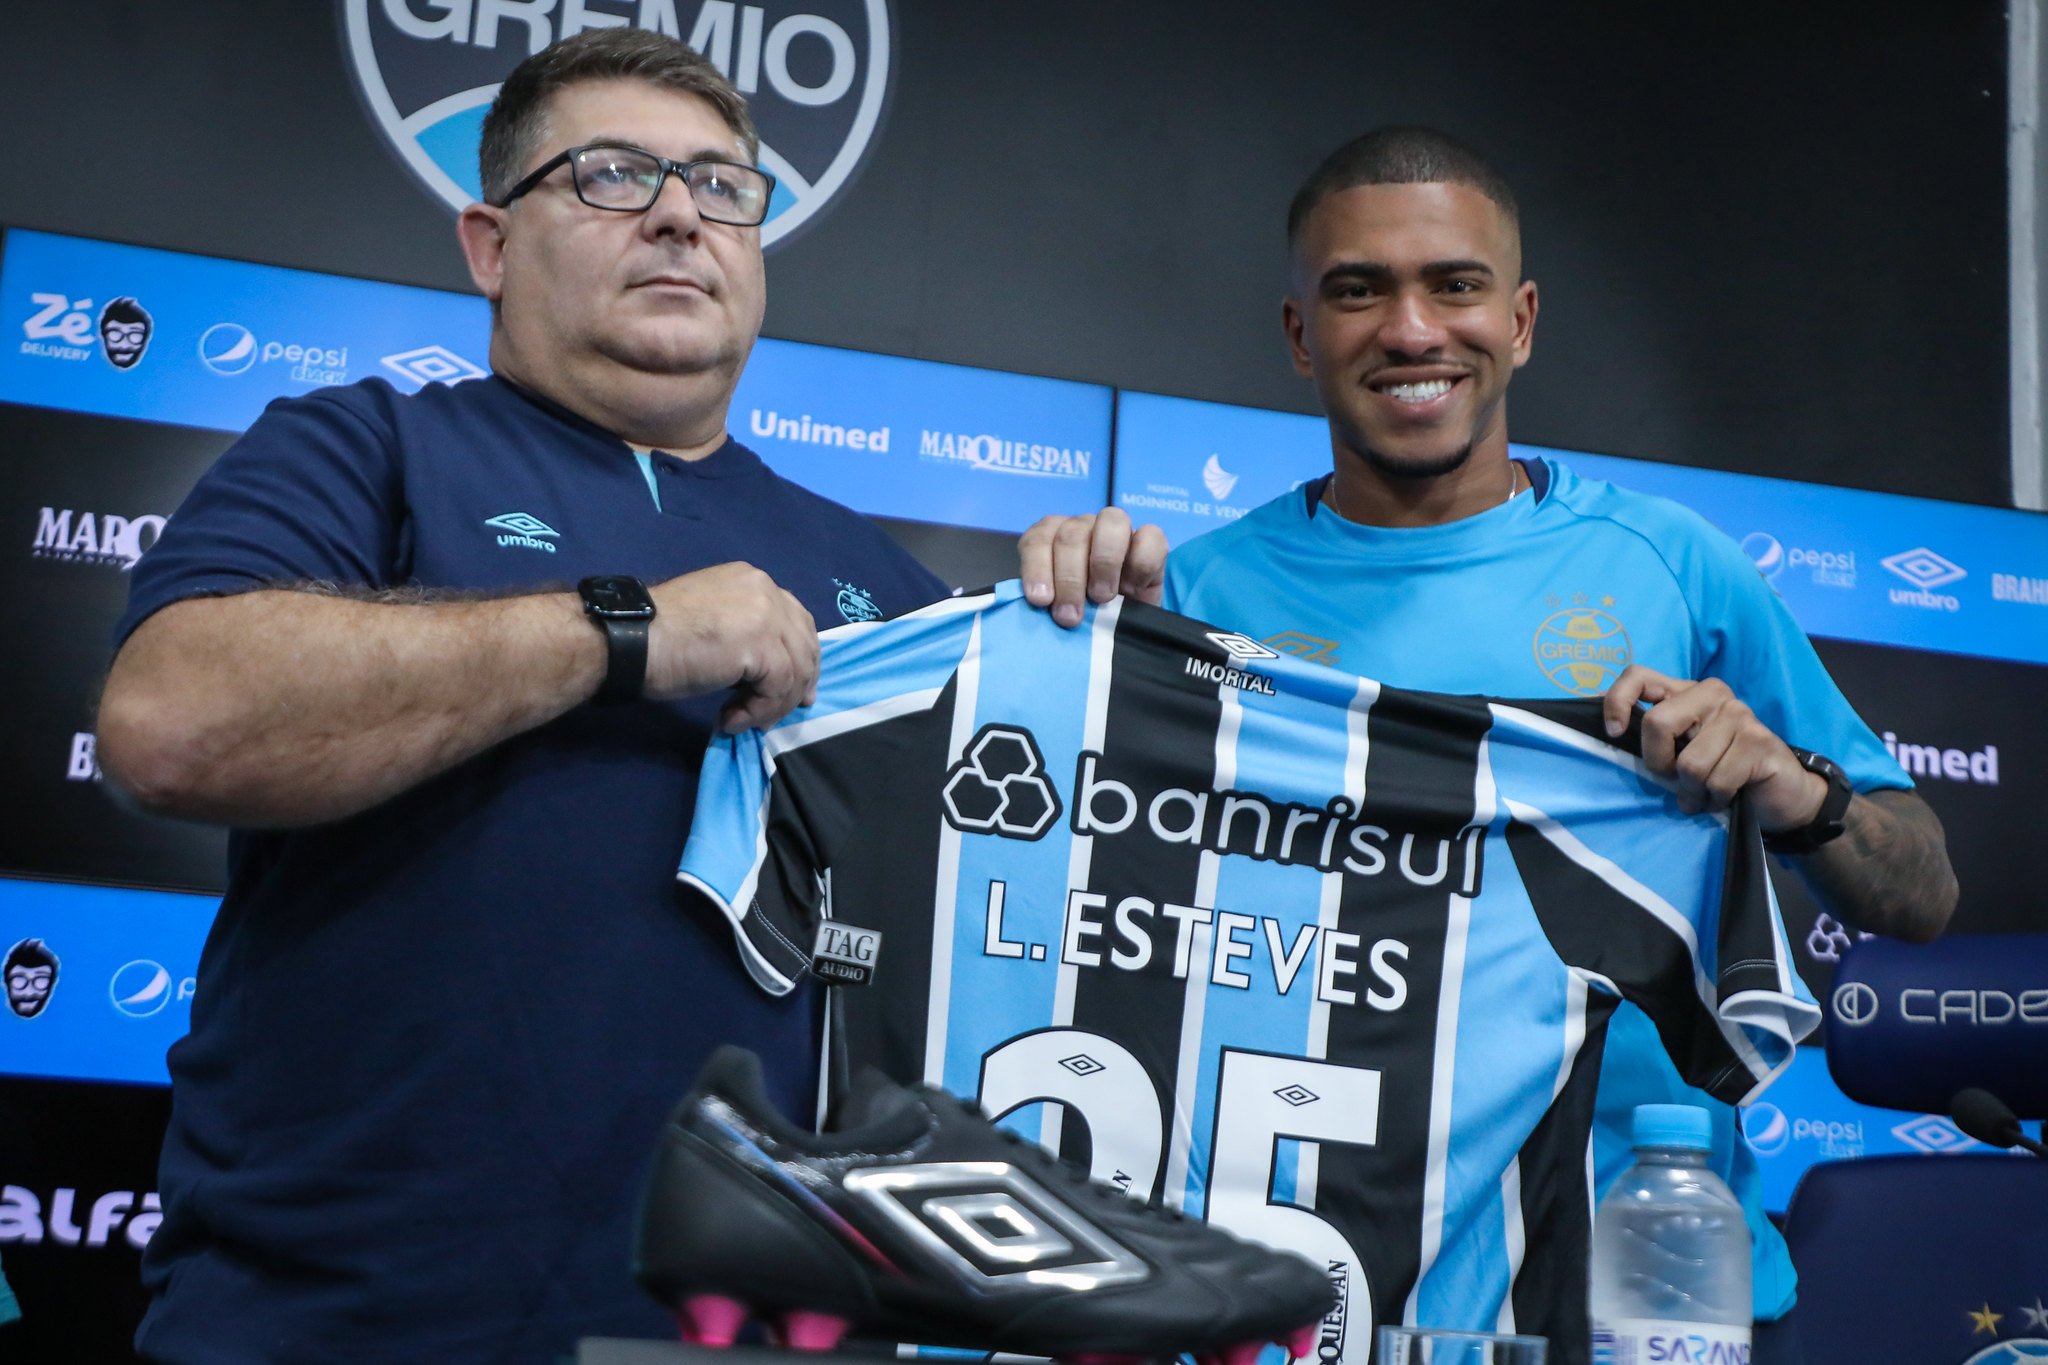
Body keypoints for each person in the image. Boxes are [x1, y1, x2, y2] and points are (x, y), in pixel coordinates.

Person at [93, 28, 1123, 1364]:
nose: (682, 215)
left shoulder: (891, 588)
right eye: (613, 177)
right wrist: (630, 627)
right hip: (341, 1322)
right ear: (490, 243)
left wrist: (1116, 672)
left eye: (721, 186)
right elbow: (171, 726)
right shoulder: (364, 450)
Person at [1021, 127, 1957, 1360]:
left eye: (1452, 285)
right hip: (1301, 1287)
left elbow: (1922, 891)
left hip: (1637, 1294)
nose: (1411, 331)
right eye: (1358, 289)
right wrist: (1063, 641)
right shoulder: (1192, 595)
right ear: (1302, 334)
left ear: (1517, 321)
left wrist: (1793, 790)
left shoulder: (1675, 567)